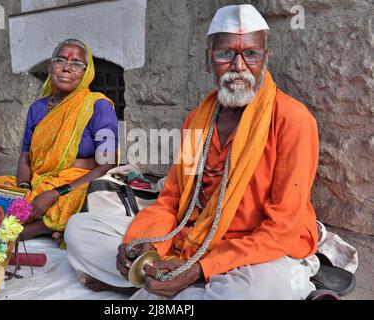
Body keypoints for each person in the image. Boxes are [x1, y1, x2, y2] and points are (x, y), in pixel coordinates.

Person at [65, 4, 321, 299]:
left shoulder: (293, 120)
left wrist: (199, 268)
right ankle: (165, 284)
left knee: (257, 290)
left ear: (265, 59)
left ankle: (162, 287)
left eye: (251, 54)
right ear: (207, 60)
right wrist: (146, 244)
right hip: (191, 236)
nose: (239, 66)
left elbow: (282, 228)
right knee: (81, 229)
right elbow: (172, 199)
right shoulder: (198, 119)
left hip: (256, 250)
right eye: (226, 54)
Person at [0, 39, 119, 241]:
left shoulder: (99, 106)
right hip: (37, 180)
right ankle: (53, 226)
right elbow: (25, 157)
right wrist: (23, 191)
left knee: (85, 197)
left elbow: (107, 165)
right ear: (50, 67)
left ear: (87, 72)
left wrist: (55, 193)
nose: (67, 68)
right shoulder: (37, 108)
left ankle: (41, 227)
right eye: (60, 60)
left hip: (74, 185)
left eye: (77, 63)